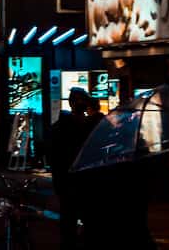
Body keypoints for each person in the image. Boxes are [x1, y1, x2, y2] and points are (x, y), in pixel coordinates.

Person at [50, 88, 101, 248]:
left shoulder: (58, 127)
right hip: (86, 183)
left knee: (68, 224)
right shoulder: (89, 127)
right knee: (90, 223)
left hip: (65, 183)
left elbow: (52, 156)